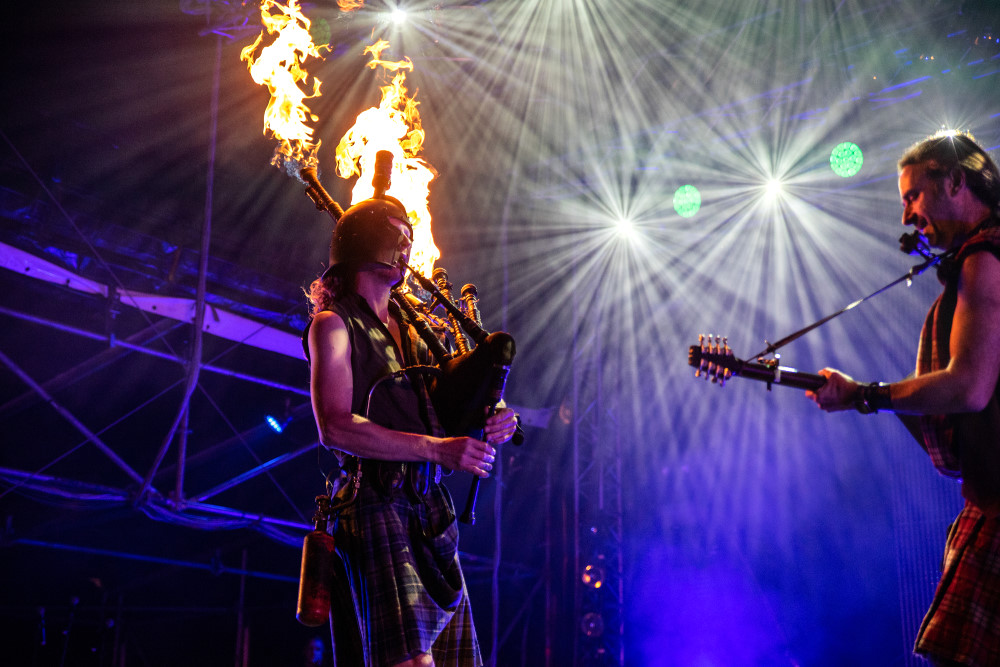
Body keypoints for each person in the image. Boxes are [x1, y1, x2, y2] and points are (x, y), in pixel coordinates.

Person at [806, 130, 1000, 667]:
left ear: (954, 181)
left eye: (913, 196)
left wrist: (867, 395)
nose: (907, 216)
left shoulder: (986, 258)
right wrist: (862, 397)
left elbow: (969, 387)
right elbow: (958, 415)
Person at [304, 196, 518, 667]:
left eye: (409, 237)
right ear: (365, 241)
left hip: (431, 508)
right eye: (397, 234)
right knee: (410, 662)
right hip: (374, 499)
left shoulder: (419, 333)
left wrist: (497, 415)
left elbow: (456, 404)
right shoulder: (333, 324)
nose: (407, 247)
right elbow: (334, 426)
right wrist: (437, 450)